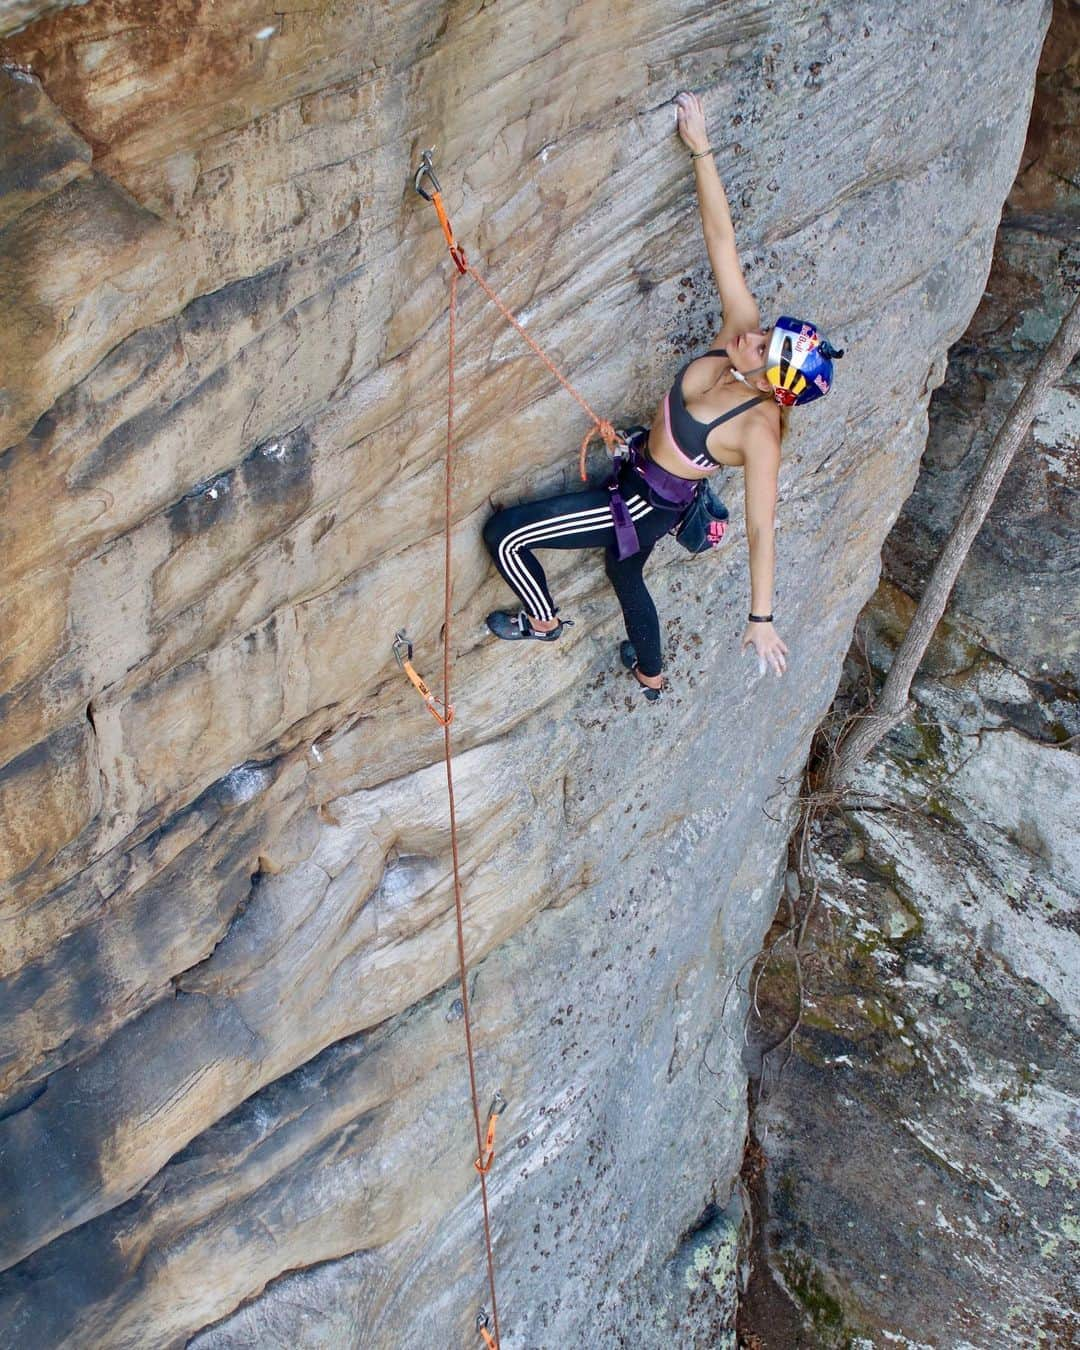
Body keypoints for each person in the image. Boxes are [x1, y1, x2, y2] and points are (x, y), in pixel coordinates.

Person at [482, 90, 842, 700]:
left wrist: (761, 619)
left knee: (505, 535)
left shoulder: (760, 433)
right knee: (625, 574)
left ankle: (540, 618)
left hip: (647, 503)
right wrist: (701, 149)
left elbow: (762, 528)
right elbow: (721, 241)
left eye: (763, 347)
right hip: (644, 477)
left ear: (772, 384)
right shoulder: (739, 340)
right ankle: (650, 675)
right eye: (765, 332)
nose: (753, 334)